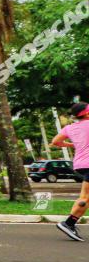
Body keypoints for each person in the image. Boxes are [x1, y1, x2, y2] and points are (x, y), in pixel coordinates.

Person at [53, 102, 89, 241]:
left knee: (85, 197)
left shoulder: (70, 128)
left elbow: (55, 141)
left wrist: (73, 144)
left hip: (80, 164)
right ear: (85, 113)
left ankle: (69, 223)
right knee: (85, 197)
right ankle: (68, 223)